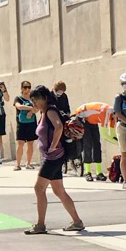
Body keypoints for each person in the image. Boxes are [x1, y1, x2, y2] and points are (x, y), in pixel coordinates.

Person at [24, 86, 84, 234]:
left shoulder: (50, 110)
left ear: (44, 98)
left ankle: (40, 225)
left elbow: (58, 127)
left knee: (39, 188)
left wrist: (53, 146)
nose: (34, 103)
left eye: (35, 99)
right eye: (32, 100)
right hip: (54, 156)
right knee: (59, 190)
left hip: (52, 157)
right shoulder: (45, 112)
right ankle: (77, 221)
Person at [73, 101, 114, 181]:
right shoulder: (105, 113)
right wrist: (117, 143)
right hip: (82, 117)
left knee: (97, 144)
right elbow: (105, 135)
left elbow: (112, 132)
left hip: (92, 120)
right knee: (88, 144)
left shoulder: (112, 114)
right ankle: (87, 172)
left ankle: (99, 172)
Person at [13, 81, 37, 171]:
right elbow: (18, 106)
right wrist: (30, 108)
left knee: (30, 143)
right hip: (21, 124)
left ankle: (29, 163)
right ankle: (18, 164)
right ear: (22, 88)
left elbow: (37, 108)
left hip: (31, 123)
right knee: (20, 143)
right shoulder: (18, 98)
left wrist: (31, 112)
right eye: (25, 87)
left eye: (29, 87)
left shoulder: (33, 98)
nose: (27, 89)